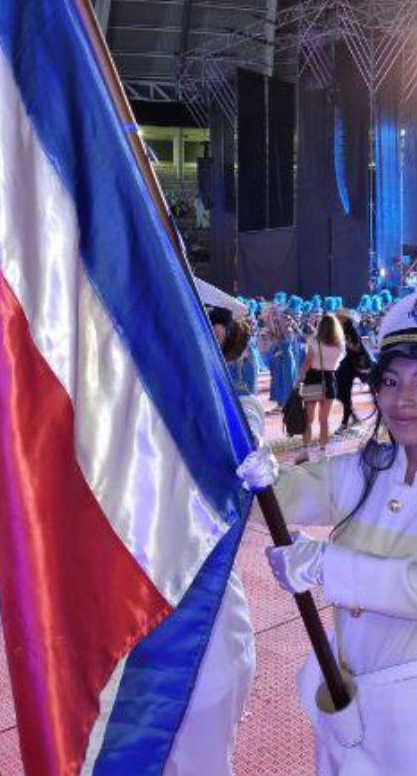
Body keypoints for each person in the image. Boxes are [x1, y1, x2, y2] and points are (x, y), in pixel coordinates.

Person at [237, 291, 417, 775]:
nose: (403, 399)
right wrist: (248, 468)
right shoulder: (366, 469)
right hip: (345, 703)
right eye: (390, 381)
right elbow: (277, 498)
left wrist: (329, 566)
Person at [165, 318, 261, 775]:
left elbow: (225, 483)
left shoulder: (238, 409)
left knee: (201, 743)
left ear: (217, 334)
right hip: (139, 598)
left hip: (203, 600)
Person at [296, 313, 346, 461]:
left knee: (308, 418)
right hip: (330, 379)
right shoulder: (340, 344)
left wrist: (299, 379)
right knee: (324, 419)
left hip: (313, 378)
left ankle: (305, 449)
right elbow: (338, 362)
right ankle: (323, 450)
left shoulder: (313, 340)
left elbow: (308, 362)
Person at [335, 313, 372, 432]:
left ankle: (346, 421)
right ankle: (352, 417)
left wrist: (345, 343)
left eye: (340, 318)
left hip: (349, 367)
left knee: (343, 394)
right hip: (341, 367)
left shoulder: (352, 332)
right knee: (341, 394)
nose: (337, 320)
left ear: (345, 320)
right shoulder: (339, 332)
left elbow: (357, 348)